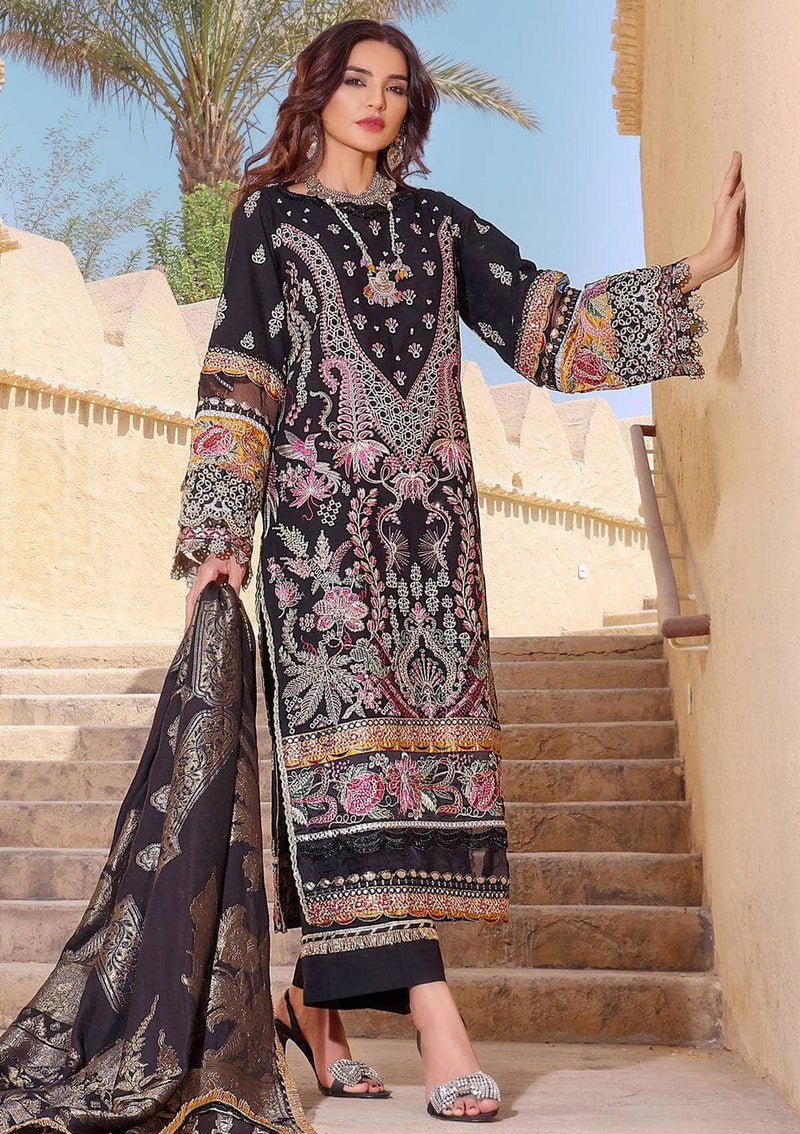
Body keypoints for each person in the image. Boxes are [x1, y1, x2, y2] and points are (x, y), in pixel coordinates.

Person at [172, 17, 745, 1124]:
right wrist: (219, 534)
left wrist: (703, 265)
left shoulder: (438, 228)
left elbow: (549, 328)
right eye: (355, 81)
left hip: (433, 550)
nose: (374, 101)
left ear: (411, 108)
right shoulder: (269, 220)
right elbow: (241, 374)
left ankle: (314, 1010)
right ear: (318, 94)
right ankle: (440, 1022)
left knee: (417, 779)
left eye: (395, 87)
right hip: (319, 547)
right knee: (350, 775)